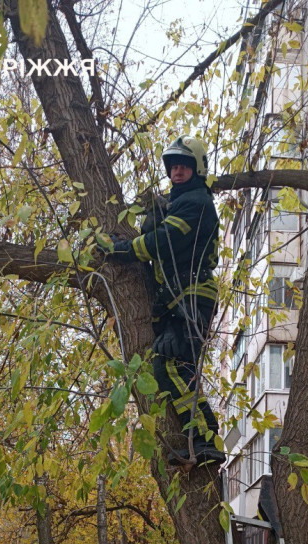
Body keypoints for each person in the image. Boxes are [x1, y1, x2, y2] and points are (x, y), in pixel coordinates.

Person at [107, 136, 224, 467]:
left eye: (184, 165)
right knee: (173, 367)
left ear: (197, 168)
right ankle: (198, 440)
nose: (177, 170)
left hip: (192, 298)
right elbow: (158, 233)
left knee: (171, 364)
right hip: (178, 300)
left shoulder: (197, 202)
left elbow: (164, 241)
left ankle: (205, 438)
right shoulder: (177, 203)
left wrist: (123, 250)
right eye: (173, 166)